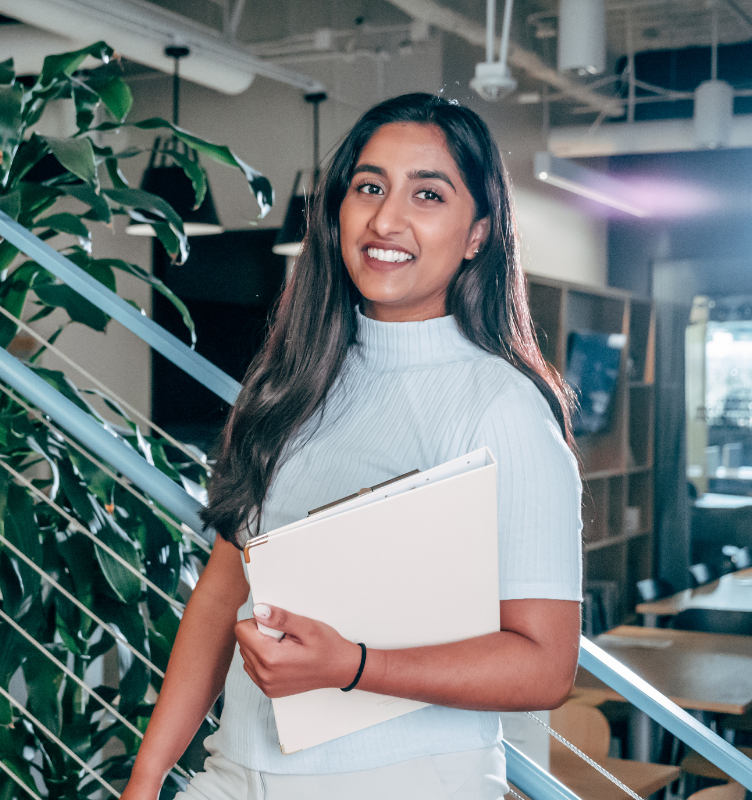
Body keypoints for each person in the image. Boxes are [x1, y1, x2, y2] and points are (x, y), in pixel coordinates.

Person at [121, 92, 585, 800]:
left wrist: (354, 666)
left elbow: (545, 668)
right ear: (336, 211)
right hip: (236, 770)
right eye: (369, 186)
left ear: (478, 235)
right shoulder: (287, 384)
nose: (386, 219)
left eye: (427, 194)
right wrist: (148, 777)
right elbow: (220, 596)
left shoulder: (504, 408)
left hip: (401, 781)